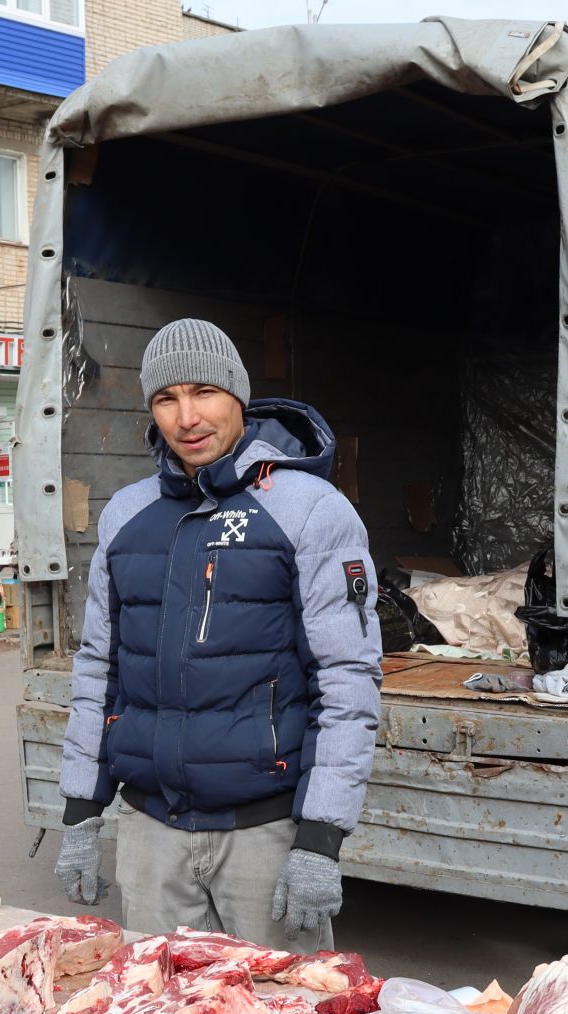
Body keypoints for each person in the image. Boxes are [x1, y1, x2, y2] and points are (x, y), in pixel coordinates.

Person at [53, 319, 382, 948]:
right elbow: (99, 671)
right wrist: (80, 816)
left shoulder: (309, 510)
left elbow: (347, 679)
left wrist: (320, 839)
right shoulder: (127, 515)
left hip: (265, 833)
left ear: (238, 394)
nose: (187, 417)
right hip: (150, 835)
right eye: (166, 398)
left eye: (204, 391)